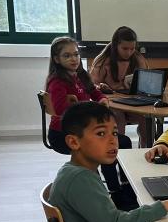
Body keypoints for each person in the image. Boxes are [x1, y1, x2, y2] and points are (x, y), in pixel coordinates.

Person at [45, 37, 137, 210]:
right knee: (106, 146)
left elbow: (95, 92)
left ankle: (126, 186)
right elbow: (62, 111)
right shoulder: (57, 81)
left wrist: (102, 99)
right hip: (64, 134)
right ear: (56, 59)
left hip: (82, 130)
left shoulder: (80, 76)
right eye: (67, 56)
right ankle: (116, 192)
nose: (73, 59)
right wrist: (84, 106)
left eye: (76, 54)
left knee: (122, 142)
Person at [89, 25, 152, 145]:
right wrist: (101, 87)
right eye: (124, 48)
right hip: (111, 102)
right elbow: (92, 85)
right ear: (115, 45)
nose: (129, 52)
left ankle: (146, 149)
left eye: (132, 48)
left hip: (132, 101)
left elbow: (147, 79)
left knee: (146, 119)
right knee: (118, 118)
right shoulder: (103, 60)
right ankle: (118, 150)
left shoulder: (138, 58)